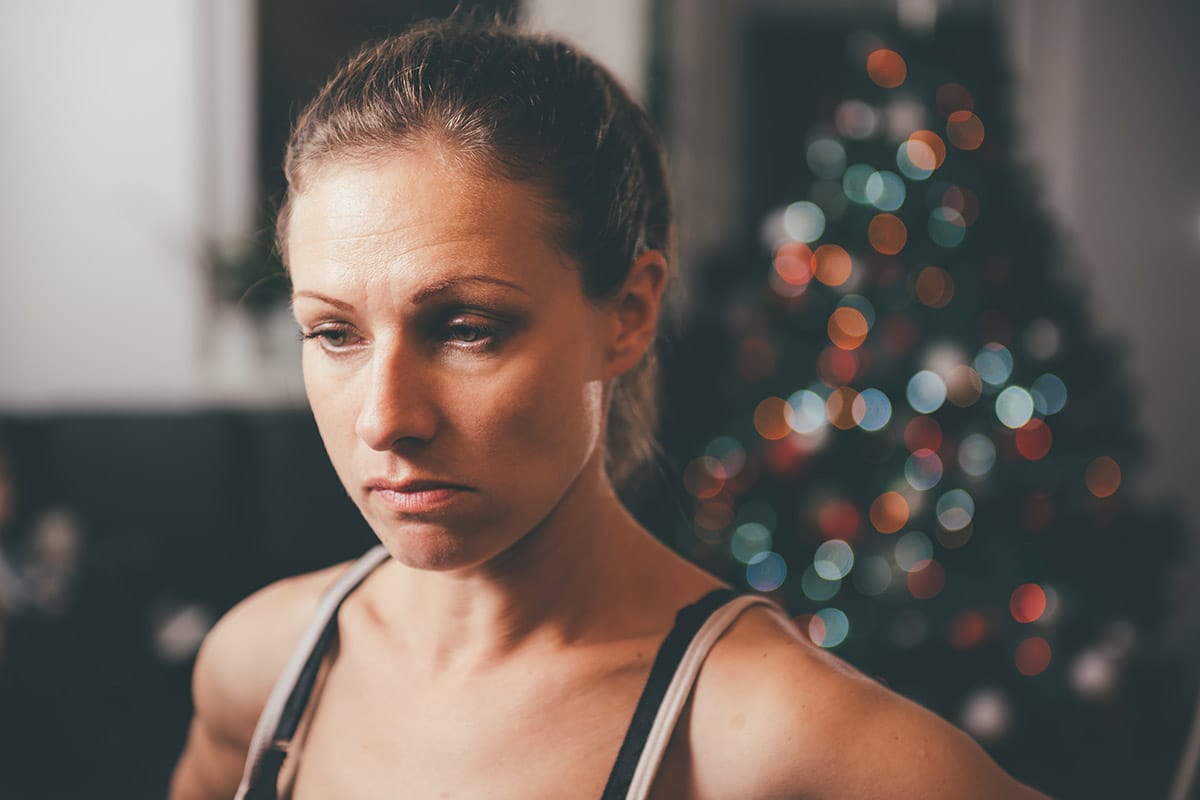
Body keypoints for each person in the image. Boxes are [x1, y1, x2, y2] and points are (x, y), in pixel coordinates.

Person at [169, 15, 1048, 799]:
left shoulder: (770, 740)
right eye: (333, 334)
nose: (383, 419)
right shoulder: (261, 667)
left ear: (626, 317)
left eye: (467, 328)